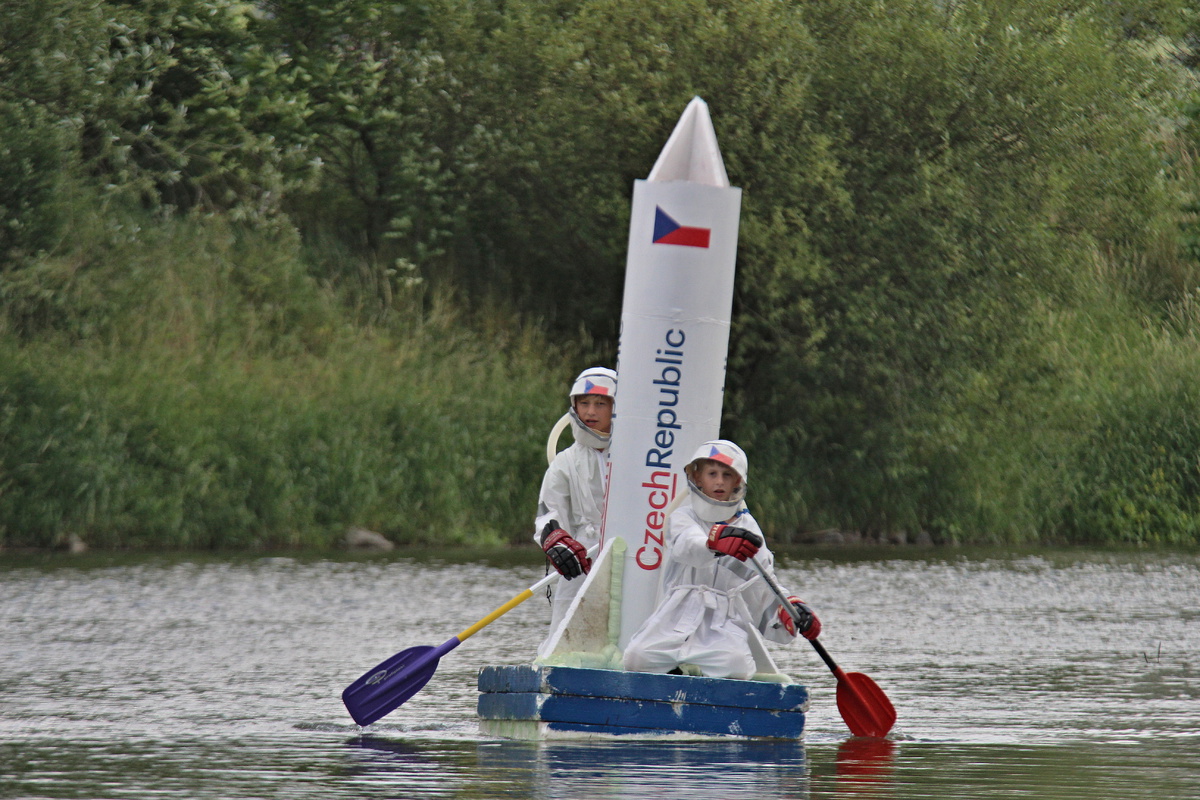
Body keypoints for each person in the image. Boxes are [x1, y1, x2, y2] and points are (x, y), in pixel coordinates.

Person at [622, 439, 821, 680]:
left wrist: (791, 609)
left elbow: (762, 583)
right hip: (675, 614)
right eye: (712, 474)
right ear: (697, 478)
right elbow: (687, 545)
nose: (719, 481)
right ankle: (677, 678)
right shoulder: (683, 517)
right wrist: (713, 544)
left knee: (737, 667)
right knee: (636, 657)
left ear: (738, 481)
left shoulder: (750, 529)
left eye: (727, 475)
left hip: (723, 621)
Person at [534, 366, 617, 647]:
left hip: (634, 551)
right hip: (583, 554)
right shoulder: (565, 462)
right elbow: (549, 512)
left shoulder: (639, 456)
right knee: (566, 632)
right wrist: (557, 541)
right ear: (574, 406)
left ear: (616, 407)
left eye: (600, 403)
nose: (591, 411)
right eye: (584, 403)